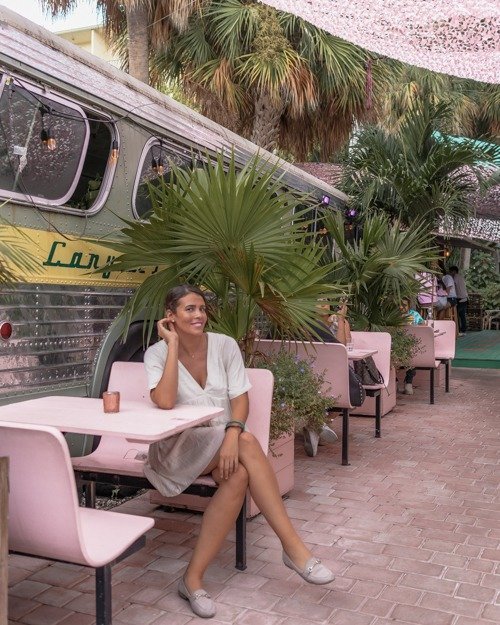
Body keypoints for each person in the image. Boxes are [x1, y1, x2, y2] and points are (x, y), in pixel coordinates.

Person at [143, 284, 335, 618]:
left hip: (223, 445)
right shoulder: (156, 354)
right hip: (176, 448)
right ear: (170, 316)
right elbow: (164, 401)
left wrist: (231, 433)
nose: (199, 315)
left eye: (202, 308)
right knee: (245, 443)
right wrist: (171, 346)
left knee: (239, 475)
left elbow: (240, 398)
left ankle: (192, 579)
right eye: (189, 309)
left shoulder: (225, 346)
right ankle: (293, 548)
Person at [399, 298, 425, 395]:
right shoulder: (393, 315)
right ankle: (395, 381)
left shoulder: (414, 315)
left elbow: (423, 326)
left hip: (411, 345)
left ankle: (408, 382)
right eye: (399, 304)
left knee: (413, 355)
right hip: (397, 345)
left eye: (404, 305)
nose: (401, 307)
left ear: (409, 305)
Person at [449, 265, 468, 335]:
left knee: (457, 315)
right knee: (462, 316)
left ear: (454, 271)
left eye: (450, 272)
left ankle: (458, 330)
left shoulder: (456, 277)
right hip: (464, 298)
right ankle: (463, 330)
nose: (449, 273)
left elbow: (452, 285)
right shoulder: (460, 277)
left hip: (460, 299)